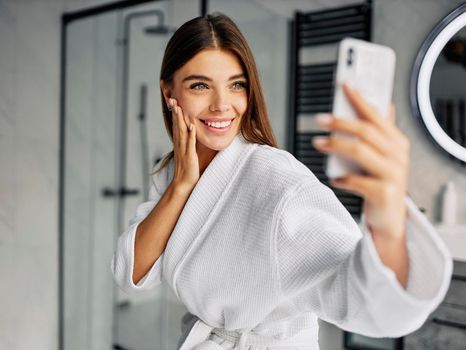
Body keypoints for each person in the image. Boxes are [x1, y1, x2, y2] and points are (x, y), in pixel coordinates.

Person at [111, 13, 452, 350]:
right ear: (168, 90)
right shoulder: (172, 172)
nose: (221, 105)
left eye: (236, 85)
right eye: (200, 85)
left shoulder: (277, 181)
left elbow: (364, 299)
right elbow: (132, 273)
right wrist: (182, 186)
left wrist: (388, 216)